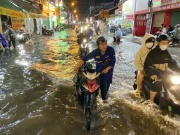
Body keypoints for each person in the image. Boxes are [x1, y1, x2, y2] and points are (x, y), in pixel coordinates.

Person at [74, 36, 116, 103]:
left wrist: (107, 68)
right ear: (98, 45)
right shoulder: (96, 52)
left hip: (108, 74)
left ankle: (105, 102)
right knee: (94, 87)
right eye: (102, 44)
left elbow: (113, 61)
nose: (104, 46)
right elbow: (85, 59)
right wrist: (77, 67)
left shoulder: (111, 50)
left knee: (104, 91)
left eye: (105, 44)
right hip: (98, 73)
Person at [144, 34, 180, 106]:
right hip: (152, 73)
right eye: (163, 43)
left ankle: (175, 99)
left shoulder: (166, 53)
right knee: (157, 84)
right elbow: (147, 65)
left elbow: (172, 63)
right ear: (158, 43)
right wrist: (152, 74)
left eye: (167, 43)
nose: (165, 44)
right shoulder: (152, 53)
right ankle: (151, 102)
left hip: (163, 73)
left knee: (175, 83)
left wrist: (178, 70)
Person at [134, 34, 156, 98]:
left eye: (152, 42)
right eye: (149, 42)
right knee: (141, 74)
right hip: (142, 67)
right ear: (145, 42)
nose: (150, 44)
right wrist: (142, 68)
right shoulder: (141, 51)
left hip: (152, 68)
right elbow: (136, 62)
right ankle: (138, 89)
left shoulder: (154, 51)